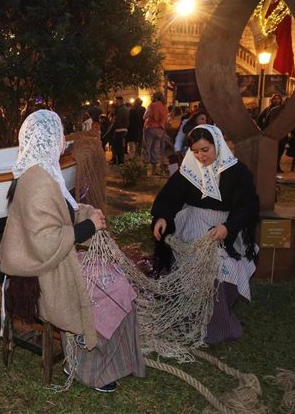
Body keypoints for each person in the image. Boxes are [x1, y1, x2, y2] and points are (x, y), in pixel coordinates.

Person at [0, 110, 144, 393]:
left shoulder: (43, 172)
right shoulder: (37, 180)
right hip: (43, 271)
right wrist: (87, 227)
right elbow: (44, 244)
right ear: (48, 138)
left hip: (54, 261)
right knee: (109, 289)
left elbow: (63, 215)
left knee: (116, 280)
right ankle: (86, 367)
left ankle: (111, 360)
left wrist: (88, 215)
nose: (65, 139)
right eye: (61, 133)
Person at [151, 124, 259, 344]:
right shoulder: (189, 170)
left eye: (205, 150)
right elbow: (169, 197)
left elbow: (248, 207)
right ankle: (189, 315)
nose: (200, 156)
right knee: (193, 264)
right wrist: (162, 216)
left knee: (220, 268)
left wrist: (228, 228)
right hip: (193, 224)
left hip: (225, 227)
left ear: (217, 145)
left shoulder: (238, 172)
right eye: (196, 151)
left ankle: (217, 324)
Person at [142, 91, 168, 175]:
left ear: (155, 97)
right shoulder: (165, 107)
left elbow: (145, 116)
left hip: (150, 127)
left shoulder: (152, 105)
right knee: (155, 148)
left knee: (147, 147)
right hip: (160, 129)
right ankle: (154, 169)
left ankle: (145, 169)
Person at [110, 96, 129, 165]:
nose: (116, 102)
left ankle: (119, 160)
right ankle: (120, 160)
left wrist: (113, 126)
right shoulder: (126, 109)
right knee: (120, 145)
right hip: (124, 129)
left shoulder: (119, 110)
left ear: (119, 101)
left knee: (117, 145)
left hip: (118, 129)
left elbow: (116, 120)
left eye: (116, 101)